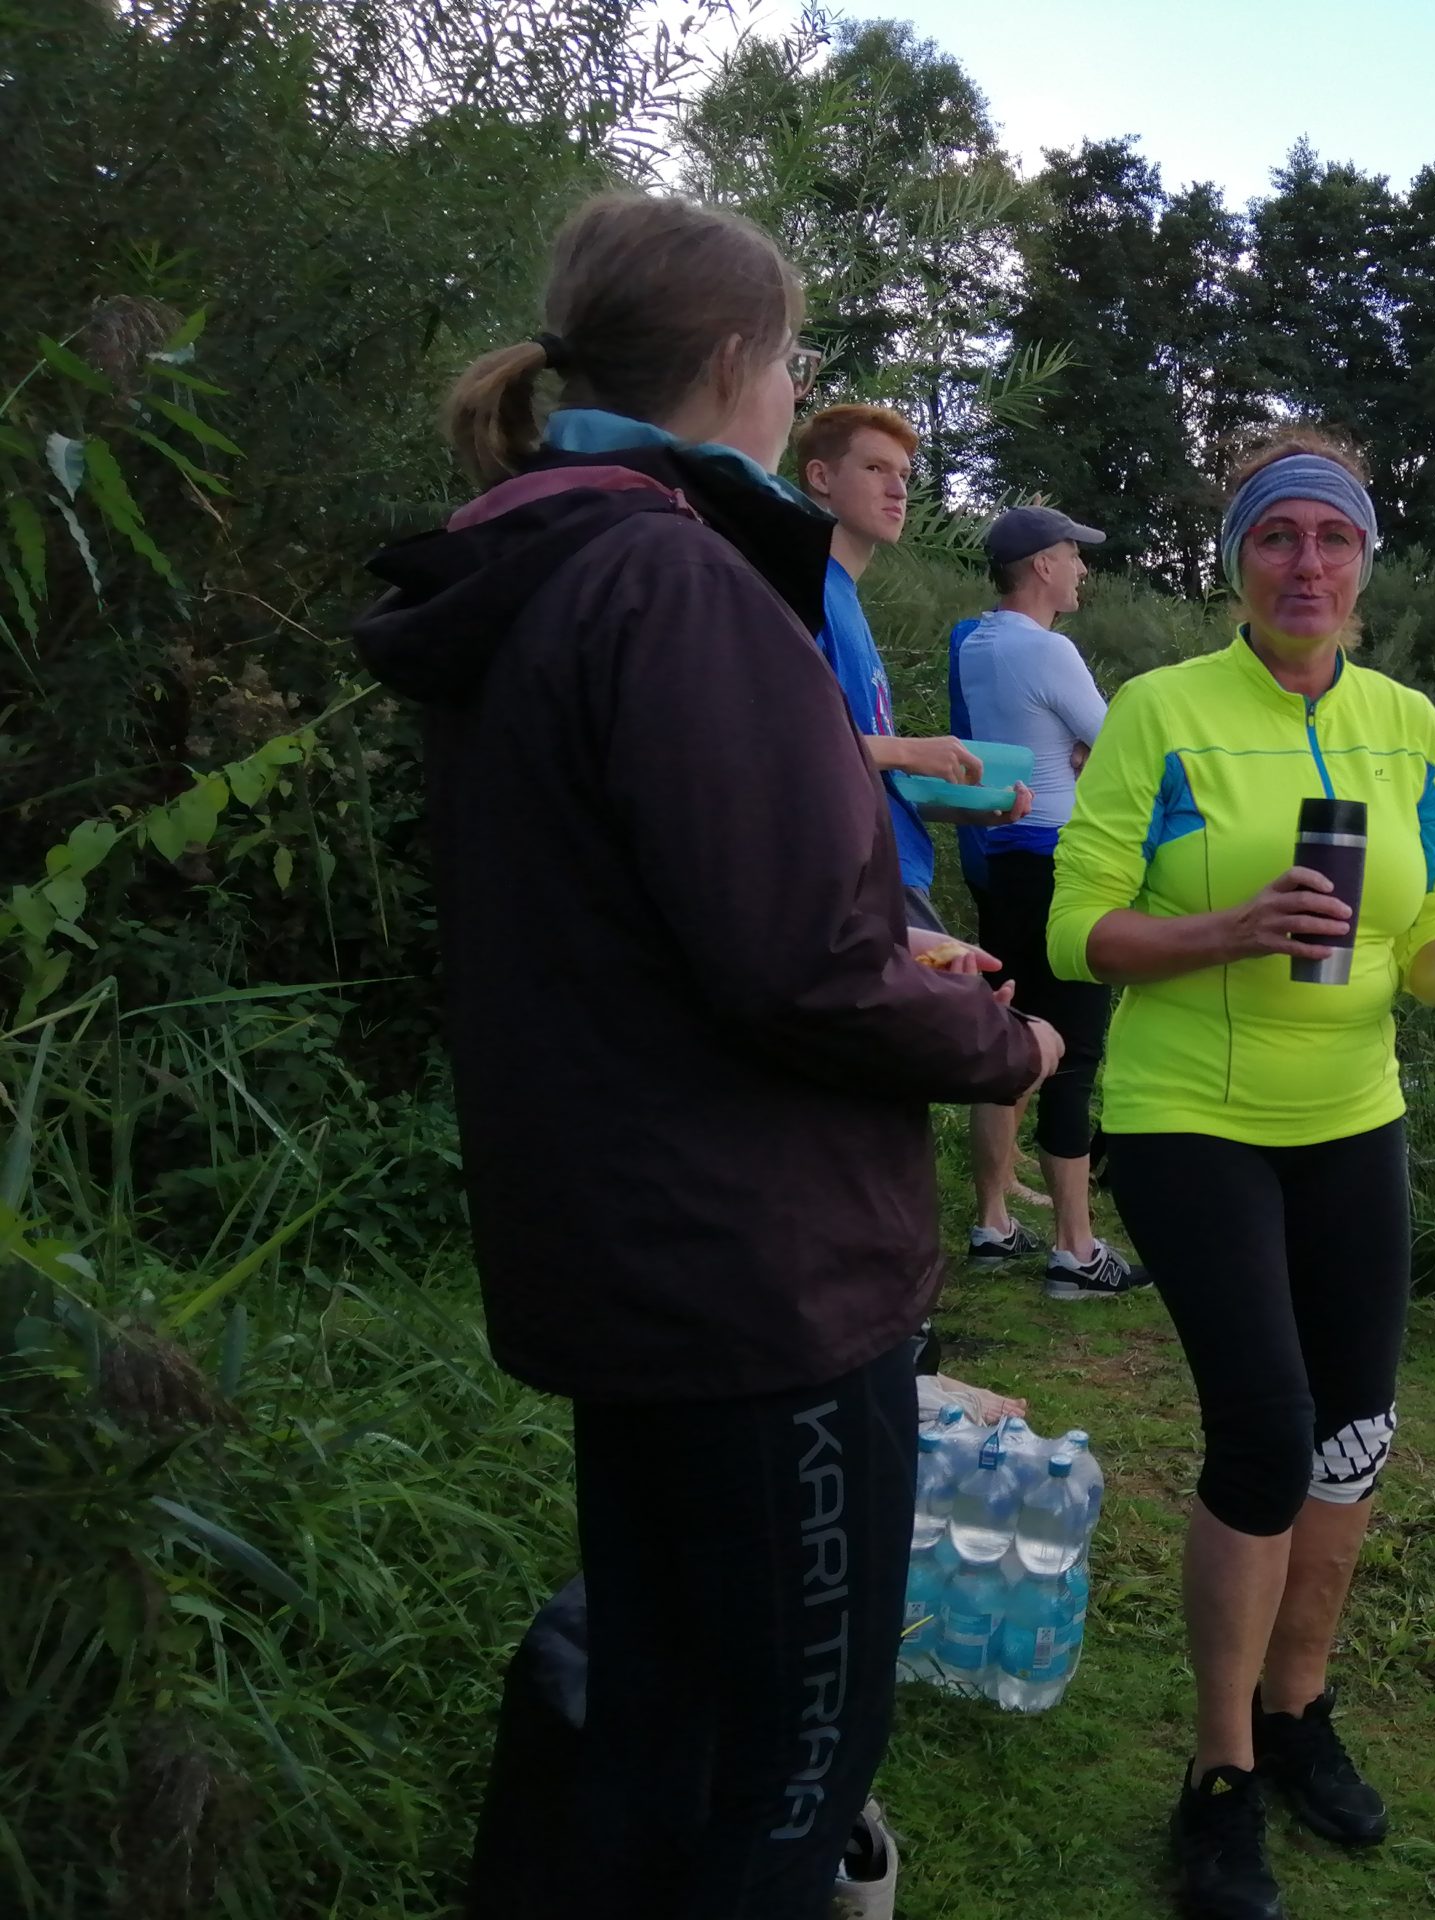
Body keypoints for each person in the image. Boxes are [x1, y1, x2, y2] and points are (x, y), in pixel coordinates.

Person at [355, 193, 1060, 1920]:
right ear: (742, 360)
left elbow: (655, 918)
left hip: (628, 1252)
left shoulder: (540, 562)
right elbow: (797, 972)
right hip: (761, 1287)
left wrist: (870, 940)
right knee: (785, 1761)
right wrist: (1001, 1036)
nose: (794, 385)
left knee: (659, 1721)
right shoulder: (675, 576)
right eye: (794, 357)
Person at [1047, 428, 1435, 1920]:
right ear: (1238, 563)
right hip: (1190, 1115)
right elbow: (1077, 928)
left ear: (1366, 564)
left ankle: (1297, 1708)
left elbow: (1426, 928)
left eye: (1334, 539)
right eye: (1278, 538)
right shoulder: (1163, 709)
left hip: (1352, 1116)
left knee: (1356, 1434)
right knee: (1266, 1435)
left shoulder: (1407, 723)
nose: (1307, 565)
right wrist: (1224, 929)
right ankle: (1218, 1775)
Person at [948, 504, 1149, 1299]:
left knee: (1009, 1035)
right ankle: (1076, 1250)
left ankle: (993, 1222)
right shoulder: (1047, 648)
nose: (1081, 569)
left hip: (1002, 858)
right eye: (1073, 555)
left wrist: (1081, 745)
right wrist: (1087, 749)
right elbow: (1121, 748)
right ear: (1041, 566)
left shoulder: (977, 643)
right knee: (1076, 1052)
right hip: (1061, 863)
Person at [795, 402, 1030, 936]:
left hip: (889, 863)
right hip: (858, 873)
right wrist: (910, 751)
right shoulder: (805, 591)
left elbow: (854, 762)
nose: (898, 490)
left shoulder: (842, 595)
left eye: (904, 475)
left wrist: (963, 804)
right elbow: (789, 746)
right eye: (875, 468)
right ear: (821, 477)